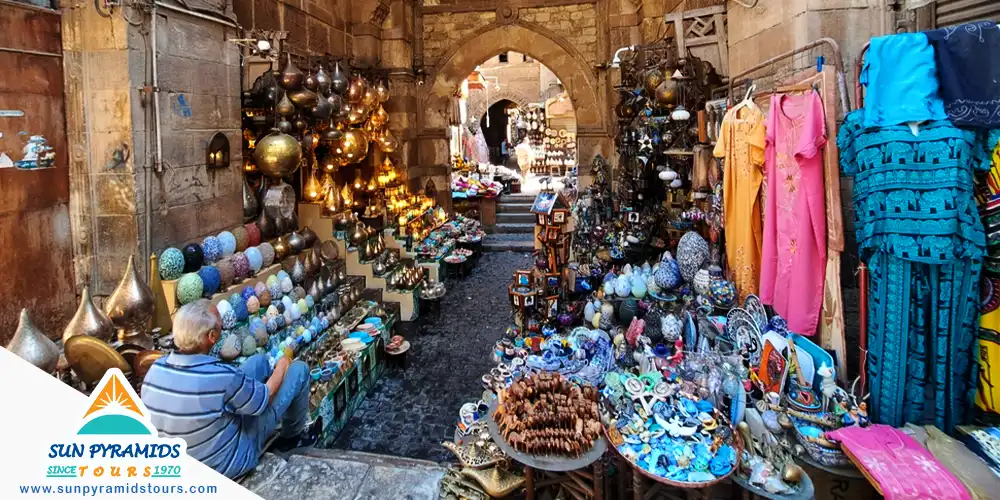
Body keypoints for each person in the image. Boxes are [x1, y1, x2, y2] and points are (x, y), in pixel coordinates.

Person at [140, 300, 318, 479]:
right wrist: (282, 365)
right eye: (219, 325)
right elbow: (268, 396)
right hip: (222, 464)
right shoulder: (219, 376)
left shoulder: (155, 369)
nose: (222, 328)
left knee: (259, 362)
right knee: (298, 371)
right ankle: (292, 438)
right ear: (211, 336)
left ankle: (252, 403)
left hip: (180, 463)